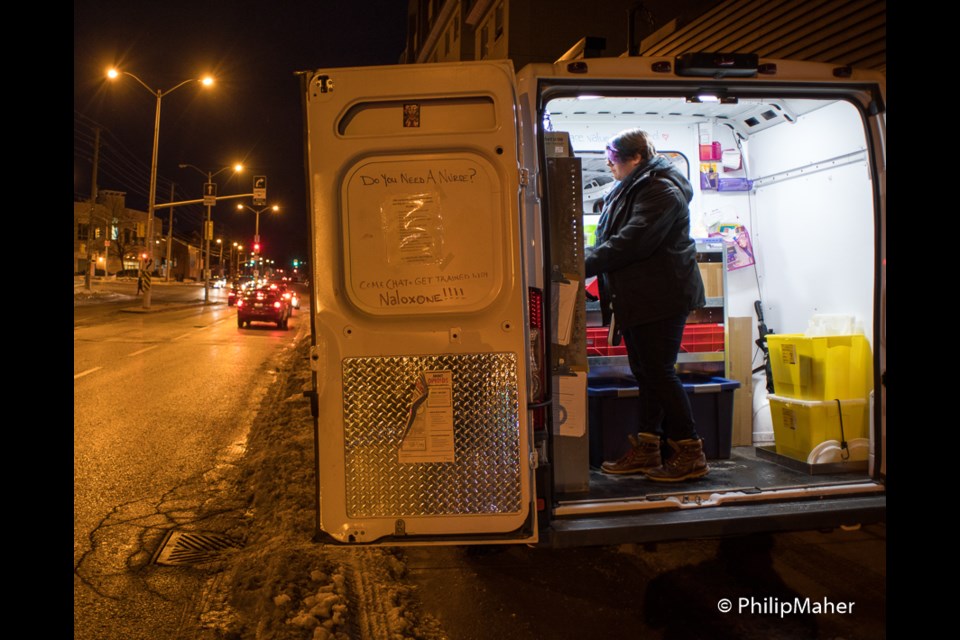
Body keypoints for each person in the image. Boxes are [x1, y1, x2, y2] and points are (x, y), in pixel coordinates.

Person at [584, 128, 708, 481]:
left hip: (662, 296)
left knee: (659, 372)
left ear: (635, 158)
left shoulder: (660, 189)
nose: (609, 167)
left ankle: (690, 450)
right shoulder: (634, 185)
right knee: (647, 372)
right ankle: (649, 448)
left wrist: (580, 264)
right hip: (640, 296)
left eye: (613, 161)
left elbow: (631, 242)